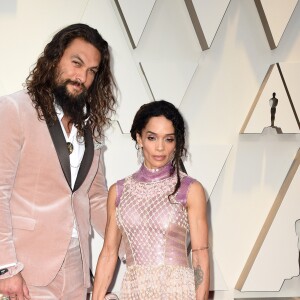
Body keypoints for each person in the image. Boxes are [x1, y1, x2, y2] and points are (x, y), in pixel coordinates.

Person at [0, 23, 116, 299]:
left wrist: (130, 248)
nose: (83, 77)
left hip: (77, 268)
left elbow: (96, 197)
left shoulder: (91, 128)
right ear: (54, 60)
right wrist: (6, 268)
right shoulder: (15, 109)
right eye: (77, 63)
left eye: (92, 71)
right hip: (27, 270)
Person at [92, 100, 210, 299]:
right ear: (139, 138)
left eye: (169, 139)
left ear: (176, 142)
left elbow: (200, 255)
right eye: (152, 138)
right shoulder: (119, 191)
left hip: (177, 292)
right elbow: (109, 253)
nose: (160, 147)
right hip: (135, 291)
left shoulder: (190, 189)